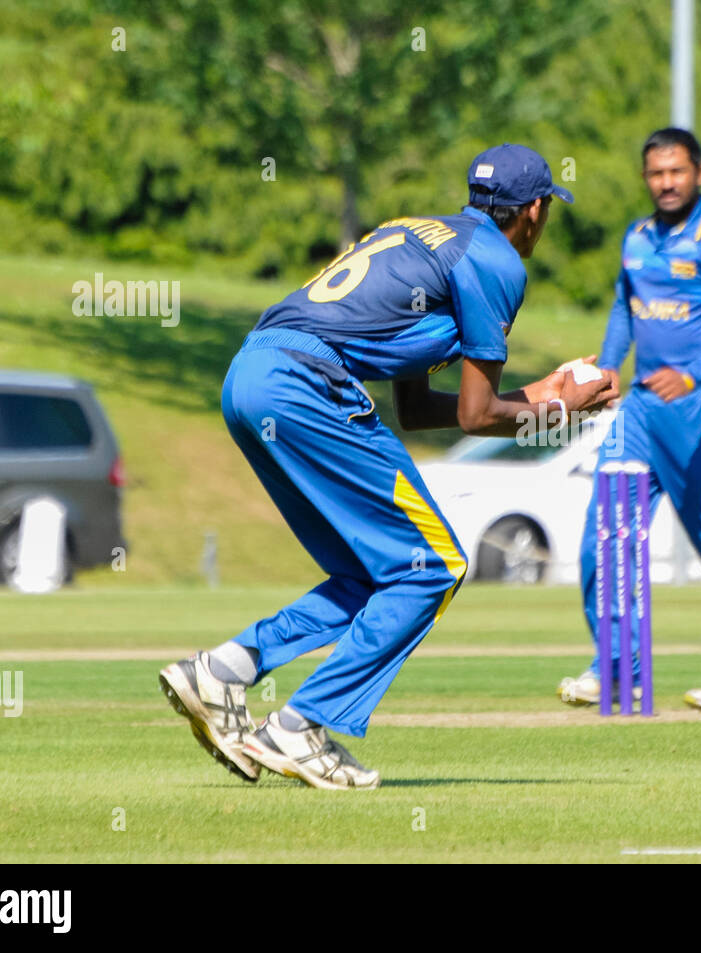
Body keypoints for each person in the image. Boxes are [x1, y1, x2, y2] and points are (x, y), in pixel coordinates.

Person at [159, 144, 616, 790]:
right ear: (535, 210)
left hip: (251, 376)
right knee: (436, 565)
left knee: (371, 571)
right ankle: (300, 725)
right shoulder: (497, 261)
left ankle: (224, 670)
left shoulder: (421, 234)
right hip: (305, 385)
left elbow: (421, 408)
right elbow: (479, 417)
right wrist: (562, 412)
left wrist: (541, 391)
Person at [557, 128, 701, 713]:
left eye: (677, 171)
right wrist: (605, 368)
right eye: (656, 173)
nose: (666, 183)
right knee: (603, 542)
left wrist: (696, 372)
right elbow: (626, 306)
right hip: (643, 414)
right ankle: (618, 669)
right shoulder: (636, 238)